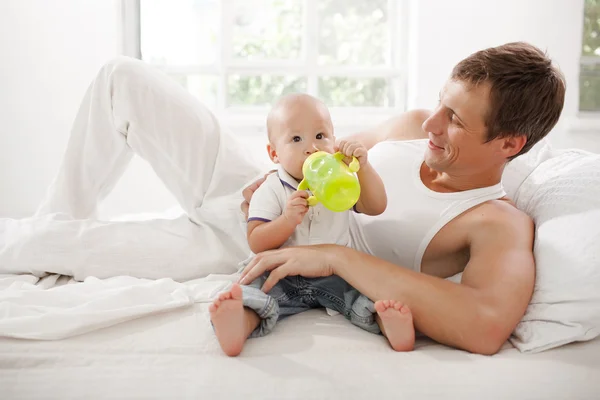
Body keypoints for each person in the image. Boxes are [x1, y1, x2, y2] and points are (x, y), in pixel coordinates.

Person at [0, 41, 565, 355]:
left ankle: (46, 236)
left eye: (457, 120)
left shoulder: (498, 224)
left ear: (510, 143)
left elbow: (487, 324)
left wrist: (336, 258)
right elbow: (329, 150)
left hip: (261, 256)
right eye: (442, 103)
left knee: (53, 245)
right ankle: (56, 220)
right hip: (260, 195)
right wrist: (271, 178)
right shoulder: (415, 123)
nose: (433, 122)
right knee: (121, 78)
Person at [210, 94, 415, 356]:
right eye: (296, 139)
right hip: (279, 273)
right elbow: (256, 240)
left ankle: (387, 321)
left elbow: (376, 206)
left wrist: (362, 168)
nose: (312, 148)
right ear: (274, 153)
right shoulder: (270, 189)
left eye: (320, 136)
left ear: (333, 139)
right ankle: (238, 322)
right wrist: (286, 221)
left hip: (334, 274)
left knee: (366, 293)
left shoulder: (339, 180)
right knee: (254, 291)